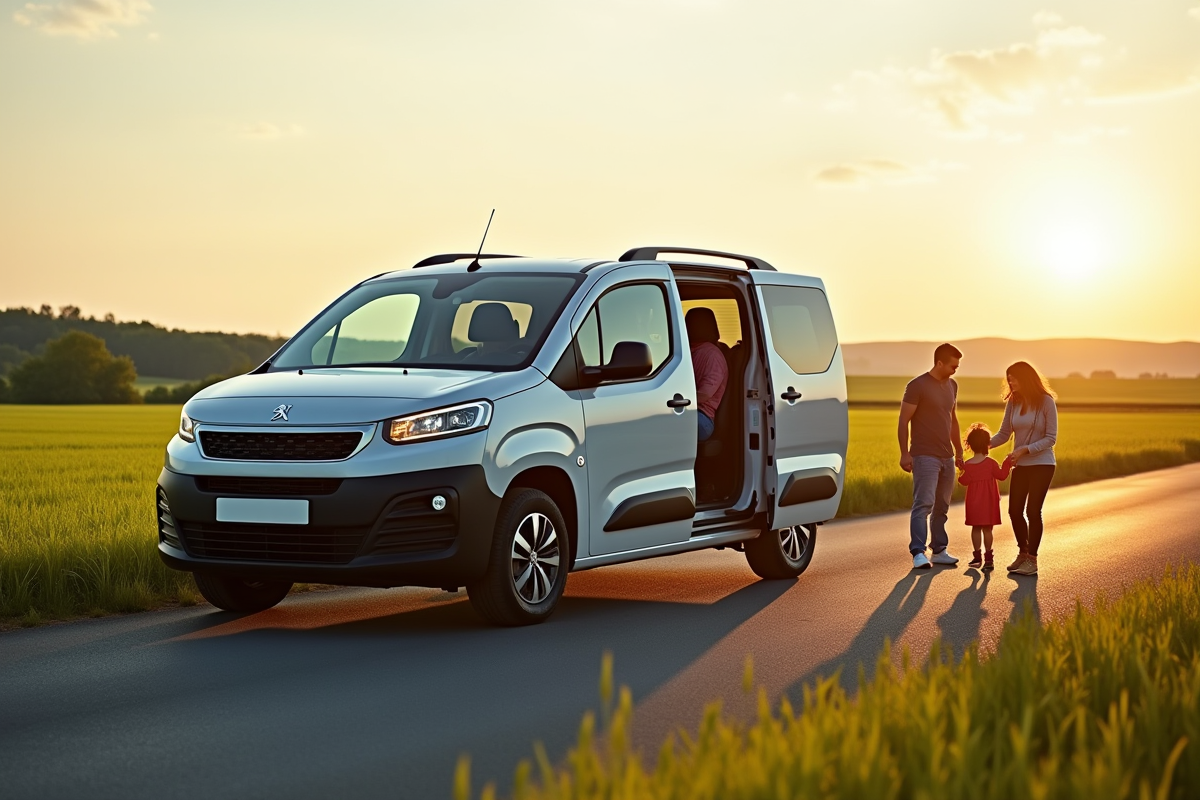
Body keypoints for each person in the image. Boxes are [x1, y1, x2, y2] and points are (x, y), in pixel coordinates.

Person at [899, 343, 965, 569]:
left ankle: (939, 550)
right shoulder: (917, 386)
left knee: (942, 506)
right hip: (924, 454)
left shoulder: (952, 385)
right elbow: (903, 421)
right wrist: (904, 453)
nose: (956, 369)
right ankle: (918, 552)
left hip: (947, 456)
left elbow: (952, 419)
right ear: (939, 363)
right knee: (923, 504)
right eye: (953, 366)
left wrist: (959, 451)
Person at [990, 361, 1058, 576]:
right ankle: (1023, 553)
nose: (1010, 381)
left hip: (1043, 464)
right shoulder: (1013, 402)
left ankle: (1033, 560)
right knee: (1014, 511)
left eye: (1014, 377)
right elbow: (1003, 434)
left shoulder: (1046, 402)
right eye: (1008, 378)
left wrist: (1025, 450)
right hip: (1021, 465)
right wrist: (981, 445)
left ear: (1026, 378)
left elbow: (1050, 438)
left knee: (1032, 511)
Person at [958, 423, 1013, 572]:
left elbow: (963, 482)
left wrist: (960, 469)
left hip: (973, 504)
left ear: (969, 445)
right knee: (987, 530)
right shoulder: (991, 463)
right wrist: (1008, 463)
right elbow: (1002, 476)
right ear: (987, 444)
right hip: (989, 502)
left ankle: (977, 557)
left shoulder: (968, 465)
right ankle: (989, 559)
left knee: (976, 528)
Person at [685, 307, 727, 442]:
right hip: (686, 411)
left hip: (703, 417)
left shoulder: (712, 354)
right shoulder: (683, 352)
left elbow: (705, 394)